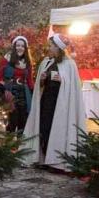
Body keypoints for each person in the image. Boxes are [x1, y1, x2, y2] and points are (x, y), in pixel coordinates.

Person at [22, 33, 85, 171]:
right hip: (47, 101)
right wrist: (43, 79)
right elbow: (40, 84)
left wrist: (61, 79)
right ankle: (45, 157)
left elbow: (72, 85)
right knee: (44, 127)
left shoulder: (69, 64)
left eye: (51, 46)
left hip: (61, 103)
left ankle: (56, 161)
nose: (49, 48)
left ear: (58, 48)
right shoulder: (47, 62)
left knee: (56, 129)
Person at [0, 36, 34, 135]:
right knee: (12, 120)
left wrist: (33, 92)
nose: (20, 48)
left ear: (25, 48)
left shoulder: (27, 62)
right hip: (11, 92)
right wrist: (2, 88)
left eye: (22, 46)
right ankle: (9, 146)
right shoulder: (6, 59)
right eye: (18, 45)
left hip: (24, 93)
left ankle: (21, 147)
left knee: (23, 120)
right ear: (14, 47)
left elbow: (30, 80)